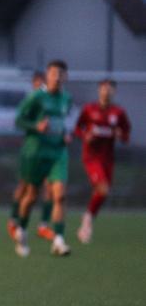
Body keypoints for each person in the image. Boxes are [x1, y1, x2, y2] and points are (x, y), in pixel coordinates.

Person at [12, 60, 73, 257]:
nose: (57, 77)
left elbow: (61, 123)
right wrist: (36, 127)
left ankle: (58, 240)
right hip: (36, 153)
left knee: (60, 195)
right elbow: (18, 120)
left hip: (57, 152)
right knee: (31, 195)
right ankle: (21, 229)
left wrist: (64, 134)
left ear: (66, 77)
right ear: (47, 75)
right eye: (53, 73)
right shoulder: (36, 97)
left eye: (61, 73)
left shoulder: (66, 99)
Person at [73, 79, 131, 244]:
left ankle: (88, 218)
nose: (107, 92)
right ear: (99, 90)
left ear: (114, 92)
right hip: (91, 157)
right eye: (104, 88)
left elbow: (126, 134)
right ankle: (87, 221)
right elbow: (78, 128)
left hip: (108, 158)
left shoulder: (118, 112)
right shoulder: (89, 109)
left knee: (102, 192)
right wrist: (86, 136)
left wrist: (121, 135)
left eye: (110, 89)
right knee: (103, 188)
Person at [7, 70, 56, 243]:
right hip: (31, 151)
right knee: (25, 187)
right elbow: (18, 121)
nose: (42, 87)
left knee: (50, 186)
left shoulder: (52, 101)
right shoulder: (32, 101)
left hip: (50, 150)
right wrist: (36, 126)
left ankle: (43, 225)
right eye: (39, 84)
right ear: (34, 84)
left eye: (44, 84)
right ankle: (13, 220)